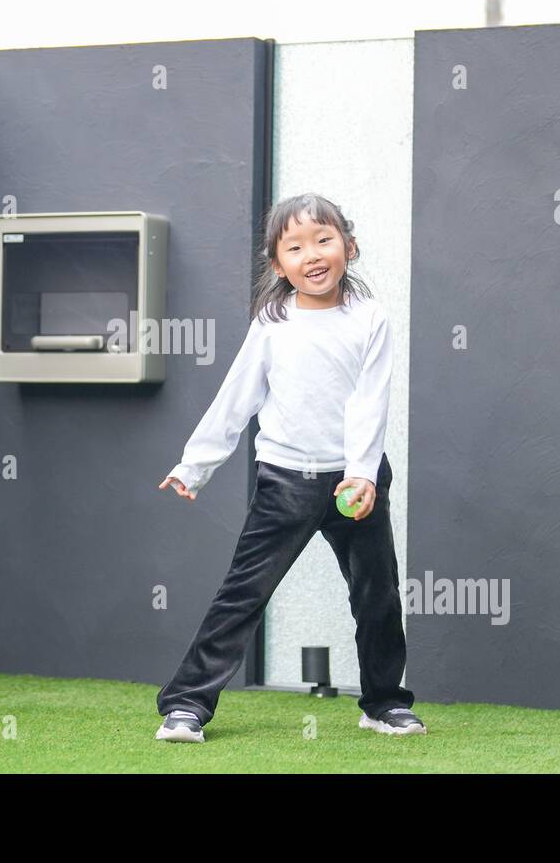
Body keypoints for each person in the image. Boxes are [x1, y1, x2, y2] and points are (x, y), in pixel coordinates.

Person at [155, 192, 424, 743]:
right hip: (286, 481)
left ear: (348, 246)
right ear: (279, 265)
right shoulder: (273, 322)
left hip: (357, 482)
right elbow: (238, 396)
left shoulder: (369, 319)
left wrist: (362, 475)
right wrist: (196, 464)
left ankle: (384, 703)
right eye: (296, 247)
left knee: (378, 594)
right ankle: (186, 705)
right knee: (244, 592)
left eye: (324, 240)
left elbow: (369, 401)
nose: (313, 254)